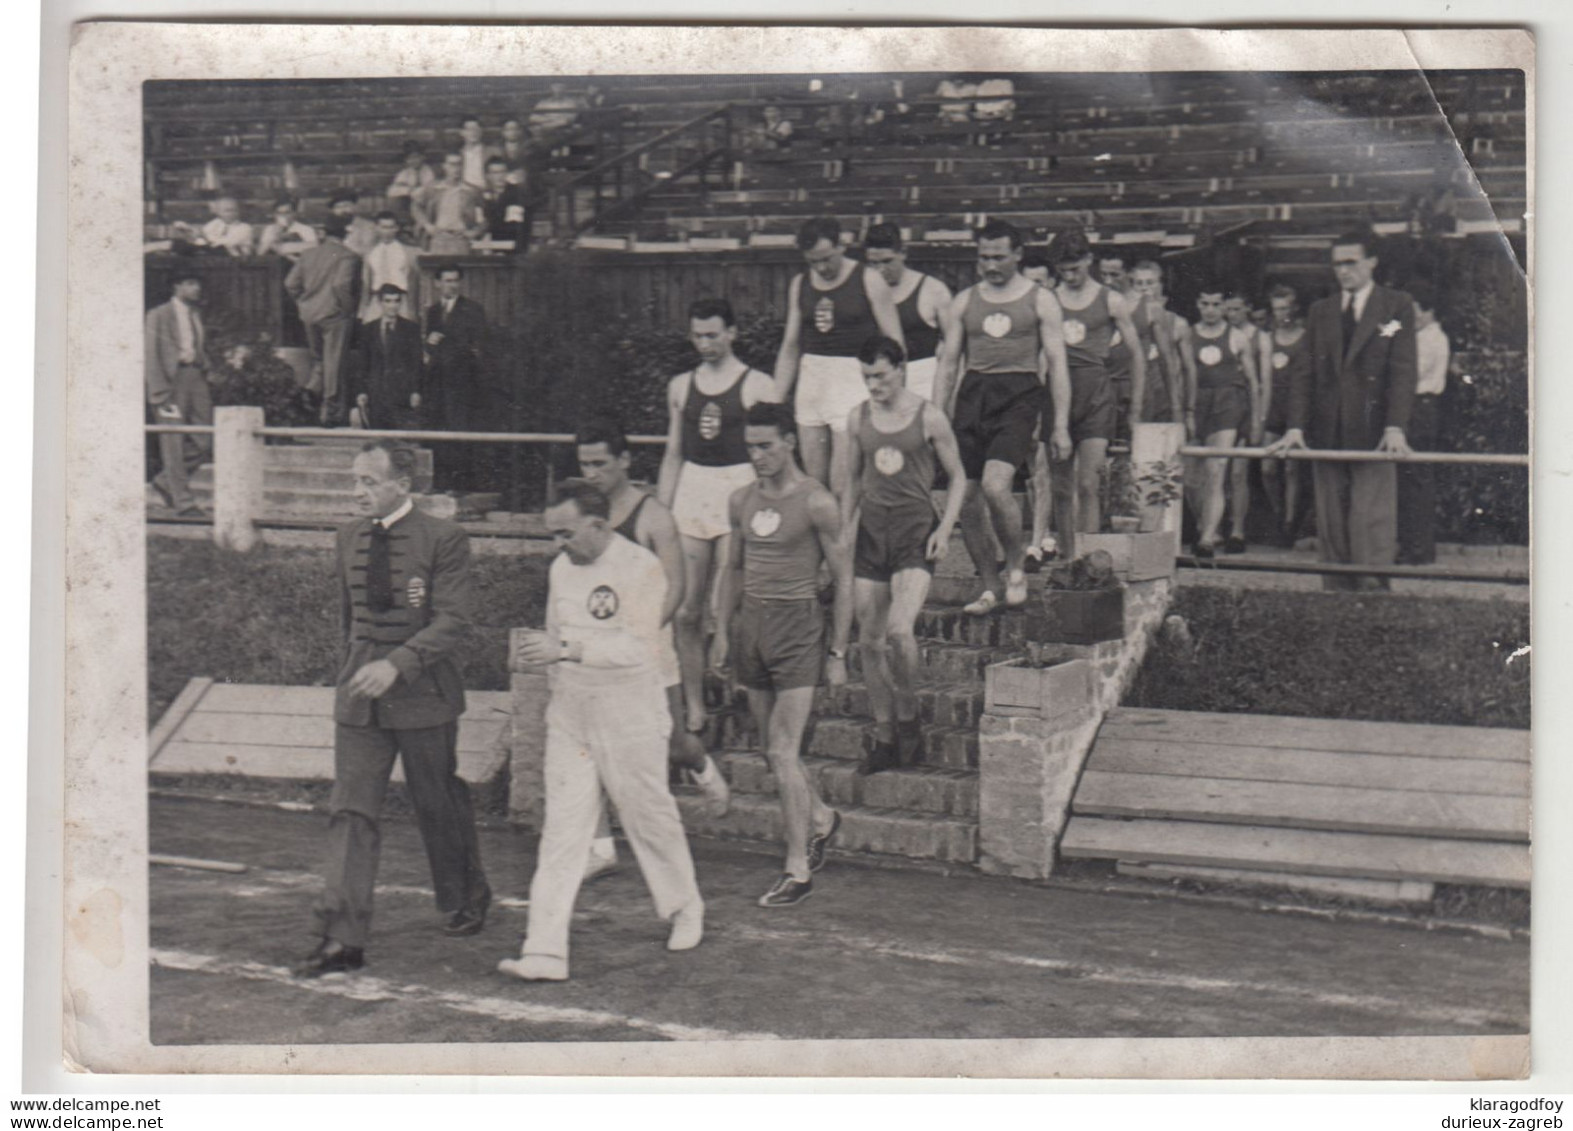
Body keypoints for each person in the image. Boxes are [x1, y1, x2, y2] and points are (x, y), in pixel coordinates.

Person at [293, 441, 491, 977]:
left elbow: (453, 620)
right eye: (354, 482)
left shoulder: (444, 538)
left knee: (437, 802)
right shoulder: (346, 537)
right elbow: (346, 618)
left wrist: (398, 665)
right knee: (351, 812)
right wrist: (358, 669)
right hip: (360, 698)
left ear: (402, 484)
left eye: (369, 482)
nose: (358, 492)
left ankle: (463, 896)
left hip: (424, 695)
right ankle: (342, 936)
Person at [499, 479, 705, 983]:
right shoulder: (560, 569)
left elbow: (639, 649)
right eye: (552, 536)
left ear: (599, 525)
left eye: (566, 534)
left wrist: (568, 651)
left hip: (631, 715)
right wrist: (546, 663)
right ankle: (545, 951)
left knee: (648, 817)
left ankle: (684, 906)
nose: (558, 545)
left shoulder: (641, 569)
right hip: (572, 717)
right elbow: (553, 634)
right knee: (562, 833)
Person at [574, 419, 731, 882]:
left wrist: (636, 639)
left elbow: (676, 587)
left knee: (673, 743)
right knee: (587, 747)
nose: (591, 473)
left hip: (649, 651)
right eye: (584, 464)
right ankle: (600, 847)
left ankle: (701, 765)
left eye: (600, 463)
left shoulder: (653, 516)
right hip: (597, 653)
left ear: (624, 461)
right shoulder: (580, 514)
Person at [712, 404, 853, 907]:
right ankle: (821, 818)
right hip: (752, 625)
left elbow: (843, 577)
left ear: (790, 442)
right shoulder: (741, 500)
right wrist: (722, 632)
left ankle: (797, 868)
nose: (758, 456)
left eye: (767, 445)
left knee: (782, 751)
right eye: (751, 447)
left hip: (798, 627)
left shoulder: (817, 501)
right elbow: (733, 569)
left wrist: (837, 650)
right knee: (775, 756)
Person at [839, 337, 966, 771]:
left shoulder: (928, 416)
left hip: (915, 530)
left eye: (880, 375)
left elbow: (958, 477)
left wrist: (946, 529)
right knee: (869, 641)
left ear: (901, 368)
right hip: (874, 533)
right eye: (866, 377)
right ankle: (885, 734)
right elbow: (852, 481)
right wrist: (844, 530)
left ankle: (910, 719)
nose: (873, 384)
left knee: (898, 631)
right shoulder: (858, 418)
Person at [934, 220, 1072, 616]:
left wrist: (1060, 424)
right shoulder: (964, 302)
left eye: (998, 257)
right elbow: (948, 366)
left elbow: (1058, 364)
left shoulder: (1040, 300)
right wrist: (937, 416)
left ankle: (1015, 566)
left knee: (997, 486)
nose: (990, 265)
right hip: (974, 394)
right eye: (983, 257)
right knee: (966, 497)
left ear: (1017, 255)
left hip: (1020, 395)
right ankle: (989, 585)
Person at [1269, 230, 1417, 590]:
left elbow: (1401, 370)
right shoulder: (1322, 311)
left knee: (1372, 516)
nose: (1343, 271)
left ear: (1371, 262)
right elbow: (1303, 373)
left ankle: (1374, 588)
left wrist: (1395, 426)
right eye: (1337, 264)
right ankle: (1335, 593)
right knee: (1331, 519)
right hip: (1326, 430)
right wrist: (1295, 428)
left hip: (1374, 428)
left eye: (1350, 262)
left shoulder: (1396, 306)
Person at [656, 298, 778, 735]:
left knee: (728, 604)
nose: (705, 344)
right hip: (692, 490)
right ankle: (694, 705)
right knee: (687, 610)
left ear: (731, 333)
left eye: (713, 335)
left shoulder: (757, 384)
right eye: (698, 336)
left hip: (737, 489)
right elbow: (672, 454)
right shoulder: (680, 386)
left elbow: (772, 451)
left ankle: (739, 689)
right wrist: (663, 513)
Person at [772, 217, 905, 494]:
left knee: (843, 483)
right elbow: (791, 345)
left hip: (851, 381)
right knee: (814, 483)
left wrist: (894, 398)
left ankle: (846, 537)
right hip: (812, 381)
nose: (821, 268)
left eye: (826, 259)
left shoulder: (869, 279)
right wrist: (775, 401)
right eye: (813, 261)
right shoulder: (800, 283)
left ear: (842, 246)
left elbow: (895, 344)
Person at [1047, 229, 1146, 544]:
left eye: (1075, 268)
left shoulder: (1111, 300)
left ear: (1089, 260)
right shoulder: (1048, 298)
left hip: (1094, 394)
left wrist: (1136, 410)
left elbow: (1137, 357)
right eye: (1063, 270)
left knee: (1089, 484)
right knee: (1060, 486)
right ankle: (1066, 556)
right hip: (1056, 392)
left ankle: (1086, 560)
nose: (1070, 276)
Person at [1184, 283, 1260, 559]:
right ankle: (1207, 526)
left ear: (1224, 307)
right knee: (1192, 479)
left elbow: (1253, 381)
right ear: (1198, 305)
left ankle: (1205, 539)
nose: (1211, 310)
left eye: (1216, 304)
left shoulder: (1237, 337)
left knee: (1217, 471)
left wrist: (1255, 421)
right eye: (1205, 304)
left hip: (1227, 405)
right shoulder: (1187, 335)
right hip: (1195, 404)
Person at [145, 272, 214, 517]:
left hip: (195, 378)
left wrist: (207, 369)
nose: (197, 288)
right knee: (172, 442)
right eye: (191, 283)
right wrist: (158, 390)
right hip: (170, 383)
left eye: (198, 283)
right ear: (177, 286)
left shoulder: (195, 314)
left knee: (206, 439)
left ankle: (165, 482)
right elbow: (151, 355)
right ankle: (183, 502)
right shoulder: (158, 315)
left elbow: (197, 347)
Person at [284, 217, 361, 426]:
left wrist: (303, 303)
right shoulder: (348, 256)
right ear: (345, 236)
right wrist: (347, 310)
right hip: (334, 315)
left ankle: (308, 394)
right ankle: (330, 412)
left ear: (324, 234)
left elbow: (291, 283)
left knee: (320, 360)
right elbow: (340, 285)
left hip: (309, 314)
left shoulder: (308, 254)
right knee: (334, 363)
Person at [862, 223, 951, 402]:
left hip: (923, 379)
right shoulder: (861, 289)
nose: (880, 270)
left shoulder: (933, 289)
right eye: (873, 263)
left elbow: (954, 348)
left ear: (903, 252)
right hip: (873, 380)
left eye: (887, 261)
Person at [1397, 282, 1449, 566]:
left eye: (1415, 311)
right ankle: (1413, 546)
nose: (1411, 317)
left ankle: (1418, 549)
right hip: (1418, 407)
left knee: (1416, 479)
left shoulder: (1431, 339)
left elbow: (1410, 375)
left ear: (1427, 311)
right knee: (1411, 479)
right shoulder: (1422, 336)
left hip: (1421, 407)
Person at [423, 266, 488, 487]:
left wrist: (444, 343)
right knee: (438, 430)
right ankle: (440, 482)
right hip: (438, 382)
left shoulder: (472, 309)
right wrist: (429, 343)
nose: (452, 284)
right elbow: (432, 347)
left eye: (455, 280)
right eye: (447, 280)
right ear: (437, 283)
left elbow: (474, 345)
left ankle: (460, 485)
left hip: (461, 382)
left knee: (459, 430)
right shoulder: (433, 311)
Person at [1260, 283, 1314, 548]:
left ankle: (1289, 523)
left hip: (1296, 406)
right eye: (1277, 308)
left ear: (1294, 308)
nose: (1282, 313)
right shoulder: (1266, 337)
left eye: (1286, 308)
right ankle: (1278, 511)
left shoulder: (1305, 336)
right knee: (1268, 467)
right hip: (1272, 406)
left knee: (1292, 467)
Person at [1019, 246, 1061, 570]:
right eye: (1029, 281)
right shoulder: (1021, 313)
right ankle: (1044, 534)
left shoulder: (1054, 312)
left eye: (1040, 282)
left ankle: (1035, 545)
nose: (1035, 288)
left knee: (1046, 468)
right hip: (1024, 394)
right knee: (1034, 471)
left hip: (1049, 394)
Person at [1222, 290, 1271, 553]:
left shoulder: (1259, 337)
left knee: (1239, 472)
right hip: (1221, 405)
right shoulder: (1222, 334)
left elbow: (1263, 383)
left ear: (1247, 309)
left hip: (1244, 407)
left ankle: (1237, 529)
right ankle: (1216, 526)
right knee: (1218, 472)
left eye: (1237, 309)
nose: (1232, 315)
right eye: (1228, 309)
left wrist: (1258, 420)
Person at [349, 284, 424, 430]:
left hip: (402, 395)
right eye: (388, 301)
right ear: (380, 303)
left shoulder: (411, 329)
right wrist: (361, 391)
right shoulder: (368, 330)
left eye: (396, 301)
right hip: (376, 395)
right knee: (379, 441)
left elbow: (416, 364)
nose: (392, 306)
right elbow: (363, 364)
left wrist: (416, 391)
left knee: (400, 442)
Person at [1129, 260, 1192, 425]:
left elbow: (1185, 369)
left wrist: (1183, 408)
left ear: (1160, 285)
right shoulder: (1128, 320)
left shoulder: (1177, 323)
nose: (1144, 288)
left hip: (1164, 396)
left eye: (1150, 283)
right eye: (1138, 283)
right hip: (1137, 393)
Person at [412, 153, 483, 256]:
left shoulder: (472, 191)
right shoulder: (433, 188)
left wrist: (475, 232)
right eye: (452, 164)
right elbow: (415, 206)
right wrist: (427, 225)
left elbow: (487, 216)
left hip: (461, 240)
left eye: (459, 164)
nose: (456, 168)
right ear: (444, 166)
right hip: (439, 238)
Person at [359, 210, 422, 323]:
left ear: (396, 228)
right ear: (376, 228)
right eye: (384, 227)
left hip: (401, 300)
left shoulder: (408, 252)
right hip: (377, 299)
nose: (387, 231)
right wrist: (363, 308)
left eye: (391, 227)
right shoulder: (370, 252)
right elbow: (366, 282)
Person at [478, 156, 531, 250]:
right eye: (495, 173)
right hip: (492, 248)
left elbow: (513, 228)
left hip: (513, 249)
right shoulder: (484, 196)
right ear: (487, 176)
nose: (500, 176)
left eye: (503, 172)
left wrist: (486, 227)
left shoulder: (516, 194)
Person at [256, 197, 319, 261]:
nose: (283, 216)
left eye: (287, 213)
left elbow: (314, 249)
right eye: (279, 213)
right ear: (274, 214)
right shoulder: (270, 229)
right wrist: (273, 236)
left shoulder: (306, 229)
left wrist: (282, 248)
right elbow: (260, 253)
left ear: (294, 213)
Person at [386, 141, 435, 220]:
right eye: (409, 158)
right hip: (408, 207)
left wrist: (419, 192)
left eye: (416, 157)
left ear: (422, 157)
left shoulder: (428, 171)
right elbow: (391, 191)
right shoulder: (405, 173)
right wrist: (410, 191)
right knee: (394, 201)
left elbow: (429, 189)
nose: (413, 161)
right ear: (406, 160)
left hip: (425, 205)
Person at [328, 190, 379, 258]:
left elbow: (369, 252)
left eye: (346, 205)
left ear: (354, 206)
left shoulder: (368, 226)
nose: (343, 210)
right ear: (333, 211)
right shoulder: (329, 228)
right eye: (338, 207)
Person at [457, 116, 498, 191]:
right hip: (464, 193)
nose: (473, 133)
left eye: (476, 129)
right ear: (462, 132)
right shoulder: (458, 154)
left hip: (486, 192)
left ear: (481, 131)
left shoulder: (493, 152)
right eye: (469, 130)